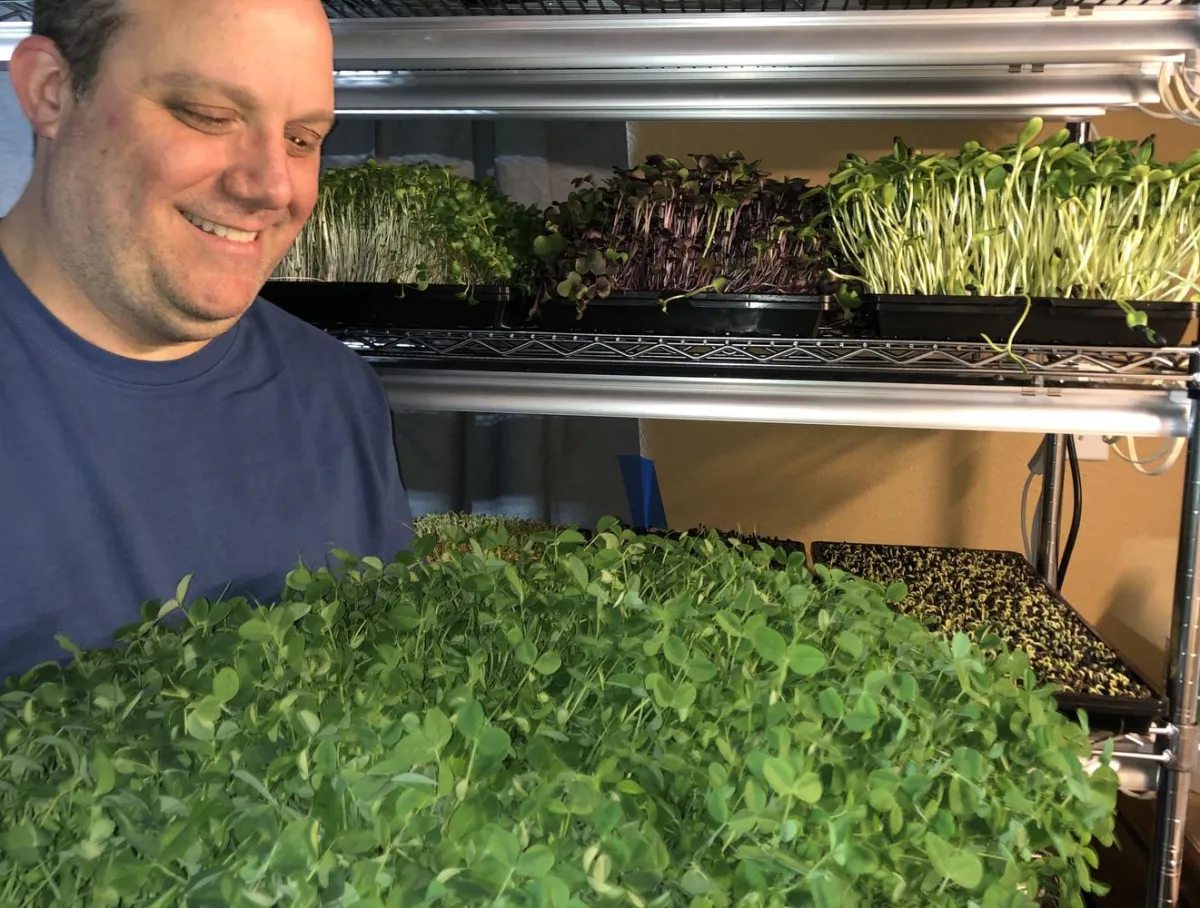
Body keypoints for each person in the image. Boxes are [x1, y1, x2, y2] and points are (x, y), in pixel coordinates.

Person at [0, 0, 414, 680]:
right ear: (50, 92)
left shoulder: (335, 397)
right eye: (208, 116)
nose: (272, 185)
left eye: (303, 139)